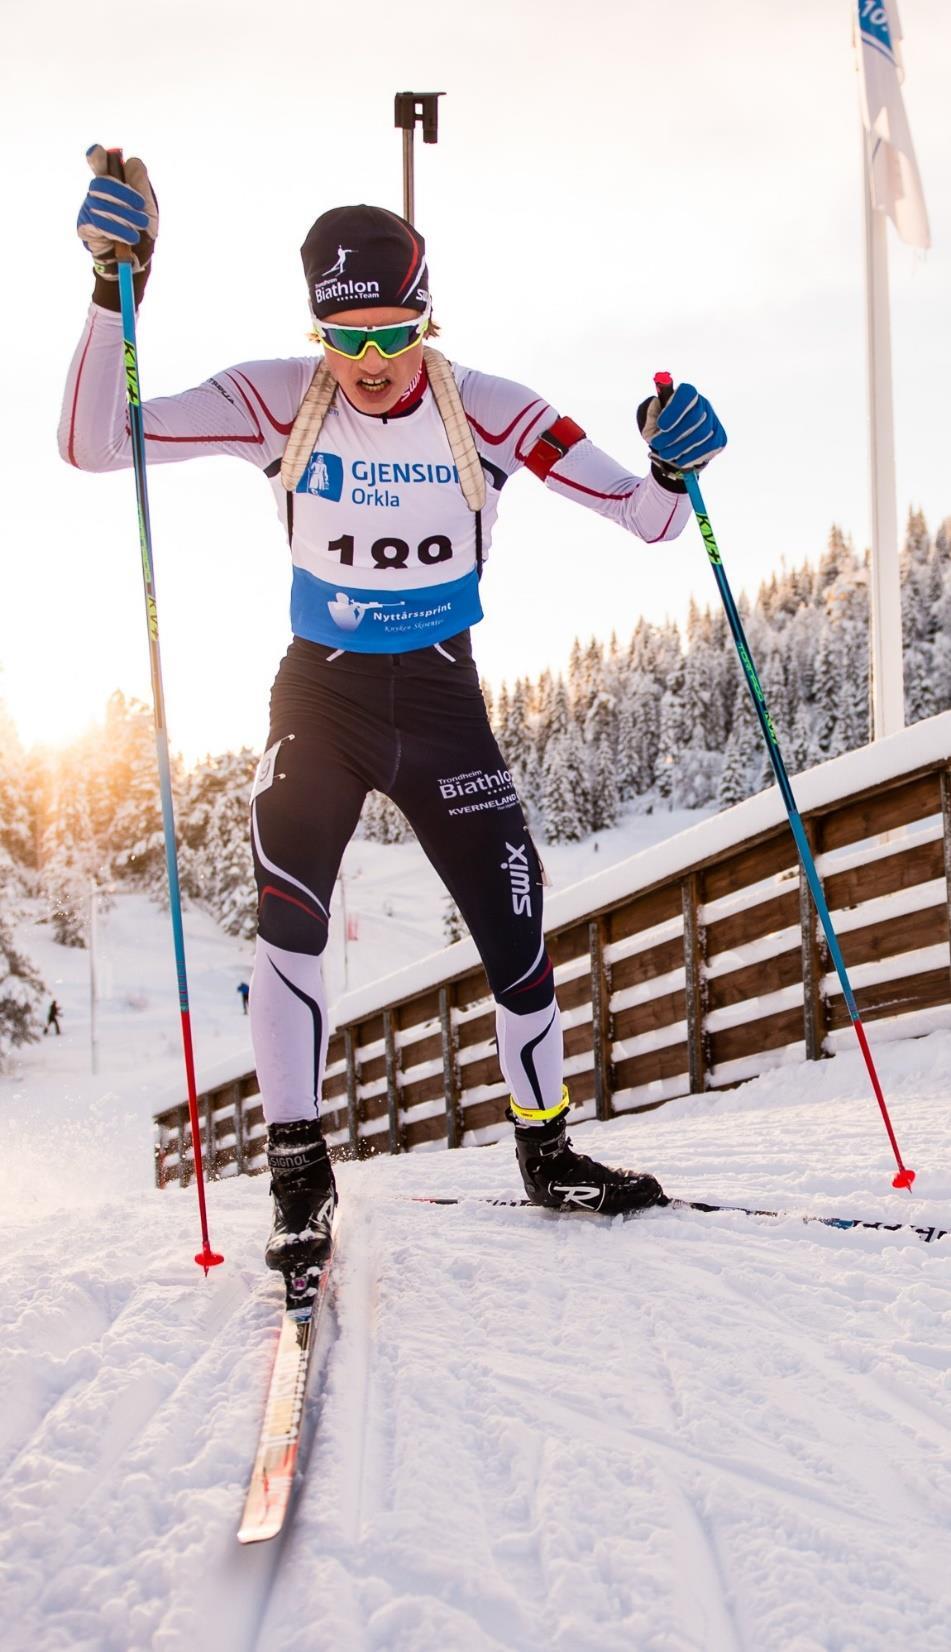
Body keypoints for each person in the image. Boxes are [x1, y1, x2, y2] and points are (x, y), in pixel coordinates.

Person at [61, 145, 727, 1293]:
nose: (367, 363)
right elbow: (93, 445)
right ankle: (297, 1172)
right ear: (317, 331)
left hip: (438, 693)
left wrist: (679, 464)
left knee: (514, 922)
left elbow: (652, 520)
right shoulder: (280, 395)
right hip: (320, 690)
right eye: (344, 337)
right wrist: (114, 291)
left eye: (388, 334)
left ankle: (548, 1148)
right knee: (290, 912)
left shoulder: (487, 409)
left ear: (426, 315)